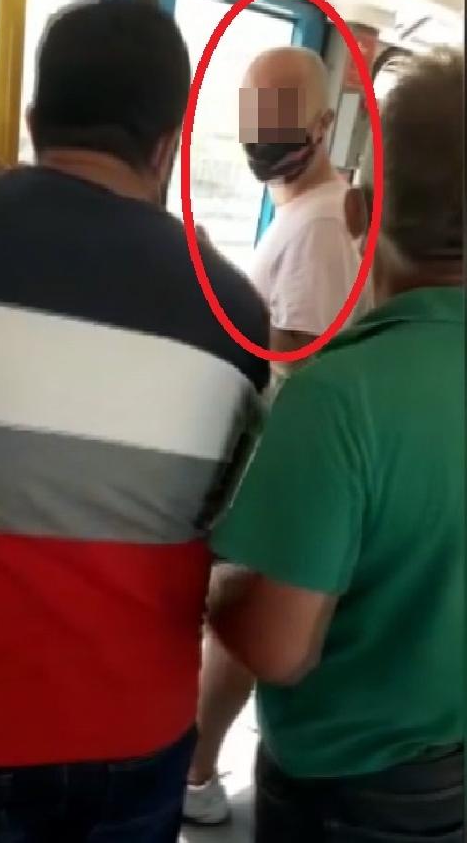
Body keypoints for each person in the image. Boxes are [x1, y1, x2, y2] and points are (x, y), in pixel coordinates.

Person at [0, 0, 269, 842]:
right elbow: (220, 514)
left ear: (33, 120)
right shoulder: (235, 313)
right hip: (133, 730)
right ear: (166, 147)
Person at [206, 46, 463, 841]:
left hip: (343, 794)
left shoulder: (341, 394)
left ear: (360, 212)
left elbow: (278, 648)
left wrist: (212, 584)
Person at [185, 45, 371, 825]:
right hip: (260, 463)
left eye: (280, 115)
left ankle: (194, 773)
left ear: (323, 124)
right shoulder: (304, 212)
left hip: (272, 468)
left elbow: (296, 364)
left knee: (240, 625)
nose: (262, 132)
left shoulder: (322, 224)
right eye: (253, 113)